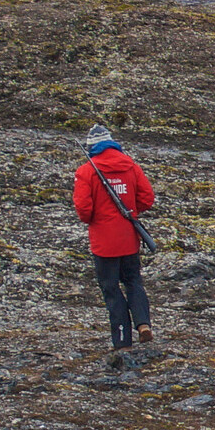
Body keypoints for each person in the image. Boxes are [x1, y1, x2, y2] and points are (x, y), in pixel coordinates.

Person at [70, 124, 155, 350]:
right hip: (129, 238)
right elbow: (147, 197)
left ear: (91, 147)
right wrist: (131, 211)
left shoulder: (86, 171)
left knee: (111, 289)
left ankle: (122, 340)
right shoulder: (131, 166)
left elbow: (83, 209)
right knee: (133, 281)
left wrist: (98, 219)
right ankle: (143, 324)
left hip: (104, 243)